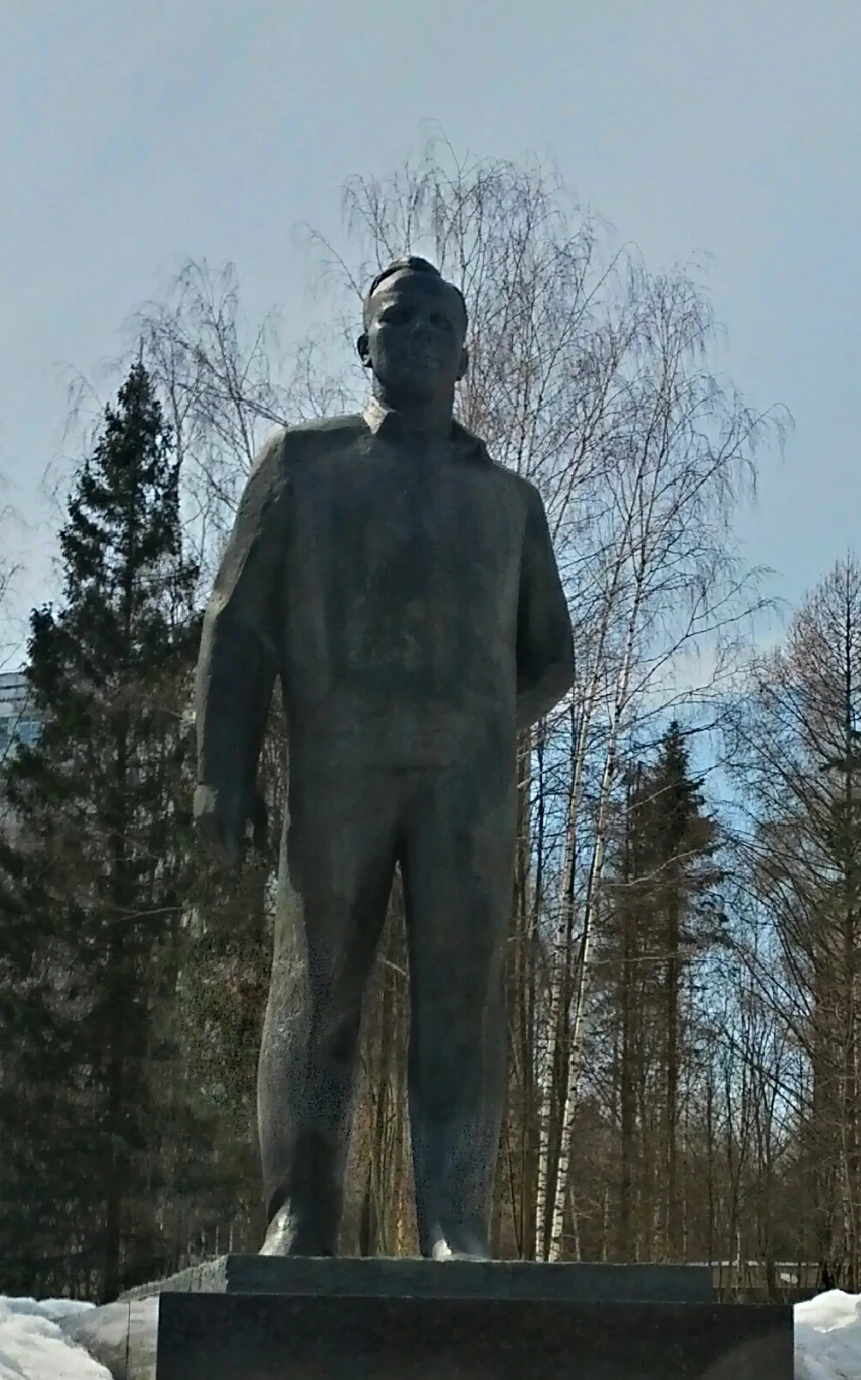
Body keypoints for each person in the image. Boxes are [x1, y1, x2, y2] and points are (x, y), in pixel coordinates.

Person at [192, 254, 575, 1257]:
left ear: (461, 353)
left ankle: (455, 1218)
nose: (413, 337)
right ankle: (299, 1211)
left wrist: (486, 724)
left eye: (434, 323)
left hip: (466, 792)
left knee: (459, 1005)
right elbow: (236, 624)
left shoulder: (508, 502)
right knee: (317, 995)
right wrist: (218, 768)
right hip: (338, 776)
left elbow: (553, 658)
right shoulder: (304, 466)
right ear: (363, 345)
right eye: (394, 322)